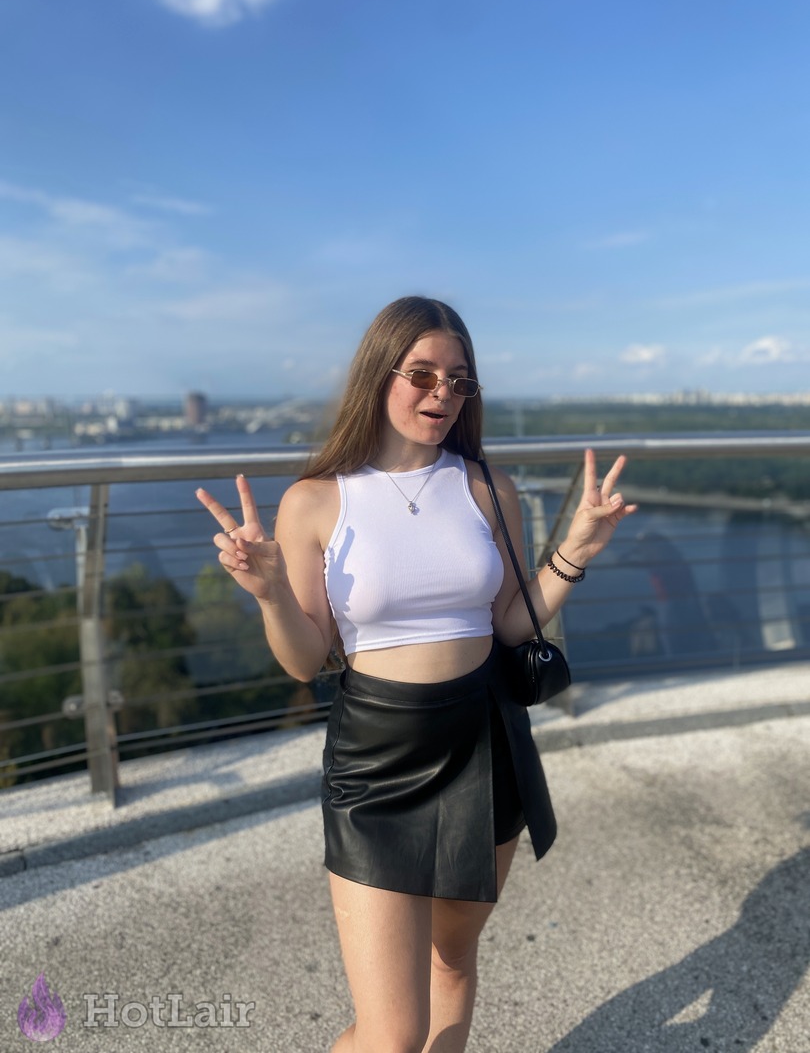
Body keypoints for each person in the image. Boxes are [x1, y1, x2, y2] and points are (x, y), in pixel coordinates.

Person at [196, 296, 637, 1053]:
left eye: (459, 380)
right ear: (379, 374)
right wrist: (270, 592)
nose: (442, 394)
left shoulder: (484, 487)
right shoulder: (315, 500)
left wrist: (577, 550)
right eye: (423, 374)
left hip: (484, 743)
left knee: (454, 959)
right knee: (392, 1034)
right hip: (378, 760)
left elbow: (507, 623)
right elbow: (306, 661)